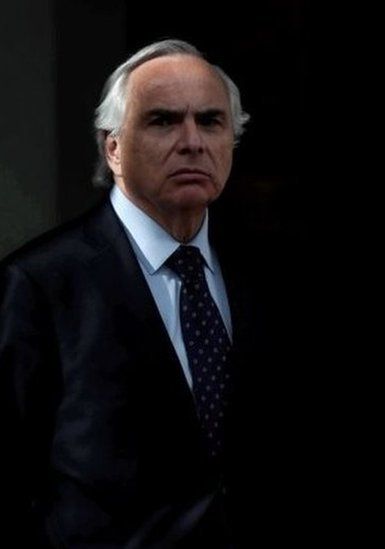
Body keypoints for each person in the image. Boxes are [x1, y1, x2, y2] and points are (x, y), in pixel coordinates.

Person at [0, 39, 273, 547]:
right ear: (113, 147)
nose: (193, 142)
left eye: (211, 122)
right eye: (163, 121)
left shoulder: (269, 273)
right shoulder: (39, 284)